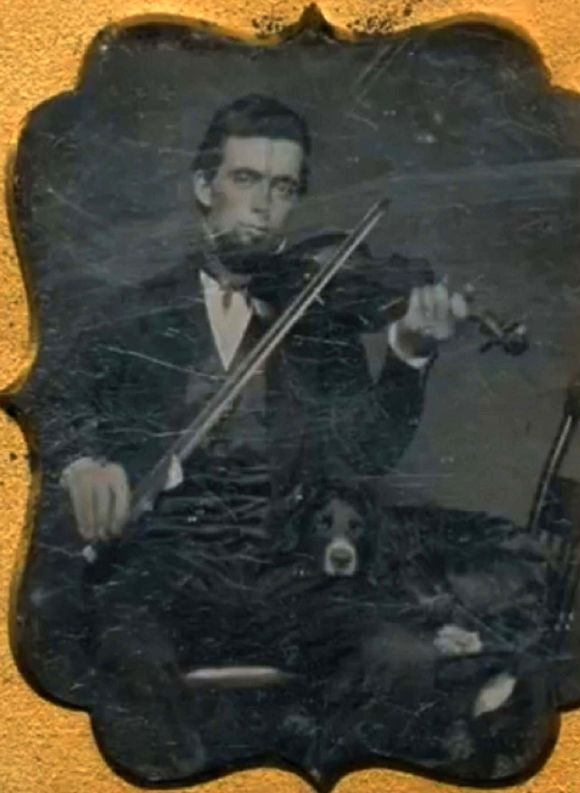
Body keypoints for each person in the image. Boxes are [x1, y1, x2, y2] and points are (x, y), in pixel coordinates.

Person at [15, 94, 471, 781]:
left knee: (400, 659)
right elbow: (53, 396)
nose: (263, 206)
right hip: (164, 575)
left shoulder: (317, 320)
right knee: (126, 664)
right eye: (246, 179)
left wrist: (407, 353)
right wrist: (81, 460)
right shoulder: (134, 312)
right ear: (205, 187)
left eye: (283, 188)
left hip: (288, 578)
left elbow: (366, 453)